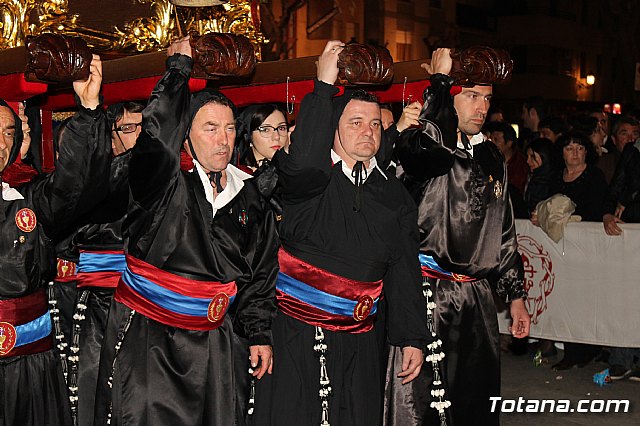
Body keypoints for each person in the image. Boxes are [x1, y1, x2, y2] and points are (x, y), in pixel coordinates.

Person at [93, 37, 279, 425]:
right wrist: (177, 71)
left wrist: (258, 332)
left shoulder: (248, 195)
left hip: (216, 343)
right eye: (210, 127)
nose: (223, 139)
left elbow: (260, 274)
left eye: (229, 128)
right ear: (187, 134)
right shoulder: (162, 184)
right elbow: (157, 141)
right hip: (152, 338)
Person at [253, 40, 428, 426]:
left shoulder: (393, 194)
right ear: (330, 129)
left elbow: (403, 270)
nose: (368, 132)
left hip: (362, 338)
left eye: (375, 124)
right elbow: (303, 161)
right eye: (355, 123)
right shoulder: (309, 183)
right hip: (296, 334)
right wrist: (322, 87)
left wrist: (412, 337)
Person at [390, 47, 530, 426]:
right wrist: (438, 84)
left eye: (487, 97)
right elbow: (424, 154)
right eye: (471, 95)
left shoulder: (491, 156)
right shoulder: (427, 144)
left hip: (478, 298)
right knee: (423, 404)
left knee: (476, 399)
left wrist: (515, 295)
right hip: (428, 291)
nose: (481, 106)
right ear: (451, 99)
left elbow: (504, 233)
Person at [1, 54, 110, 425]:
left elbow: (74, 184)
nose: (2, 143)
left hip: (32, 359)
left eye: (9, 133)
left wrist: (89, 109)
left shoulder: (27, 199)